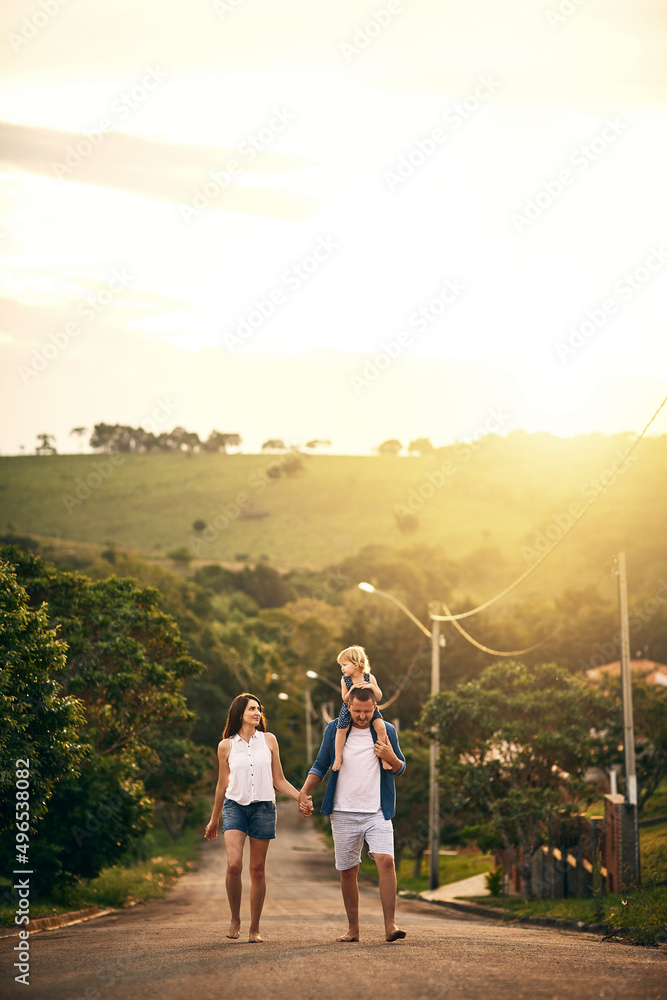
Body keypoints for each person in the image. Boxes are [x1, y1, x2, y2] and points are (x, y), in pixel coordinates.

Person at [299, 686, 407, 943]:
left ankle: (390, 925)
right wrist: (303, 792)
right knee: (348, 870)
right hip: (343, 811)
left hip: (377, 811)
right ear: (348, 706)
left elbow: (400, 768)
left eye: (367, 711)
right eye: (357, 711)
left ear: (374, 707)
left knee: (386, 861)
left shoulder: (386, 730)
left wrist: (390, 756)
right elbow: (320, 765)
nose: (362, 716)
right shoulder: (335, 729)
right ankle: (353, 929)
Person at [204, 691, 312, 943]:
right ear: (239, 713)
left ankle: (254, 928)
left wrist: (301, 798)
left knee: (257, 871)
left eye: (258, 709)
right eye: (252, 709)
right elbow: (222, 785)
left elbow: (279, 780)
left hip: (263, 808)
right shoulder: (226, 745)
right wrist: (214, 819)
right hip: (234, 807)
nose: (257, 713)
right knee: (233, 865)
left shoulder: (270, 741)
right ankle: (235, 919)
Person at [333, 645, 391, 771]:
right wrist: (352, 689)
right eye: (341, 666)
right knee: (341, 729)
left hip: (370, 708)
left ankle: (383, 758)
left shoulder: (369, 677)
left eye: (344, 665)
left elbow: (379, 696)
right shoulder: (345, 680)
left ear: (356, 664)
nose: (342, 668)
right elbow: (344, 698)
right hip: (349, 708)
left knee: (381, 727)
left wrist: (372, 687)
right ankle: (338, 757)